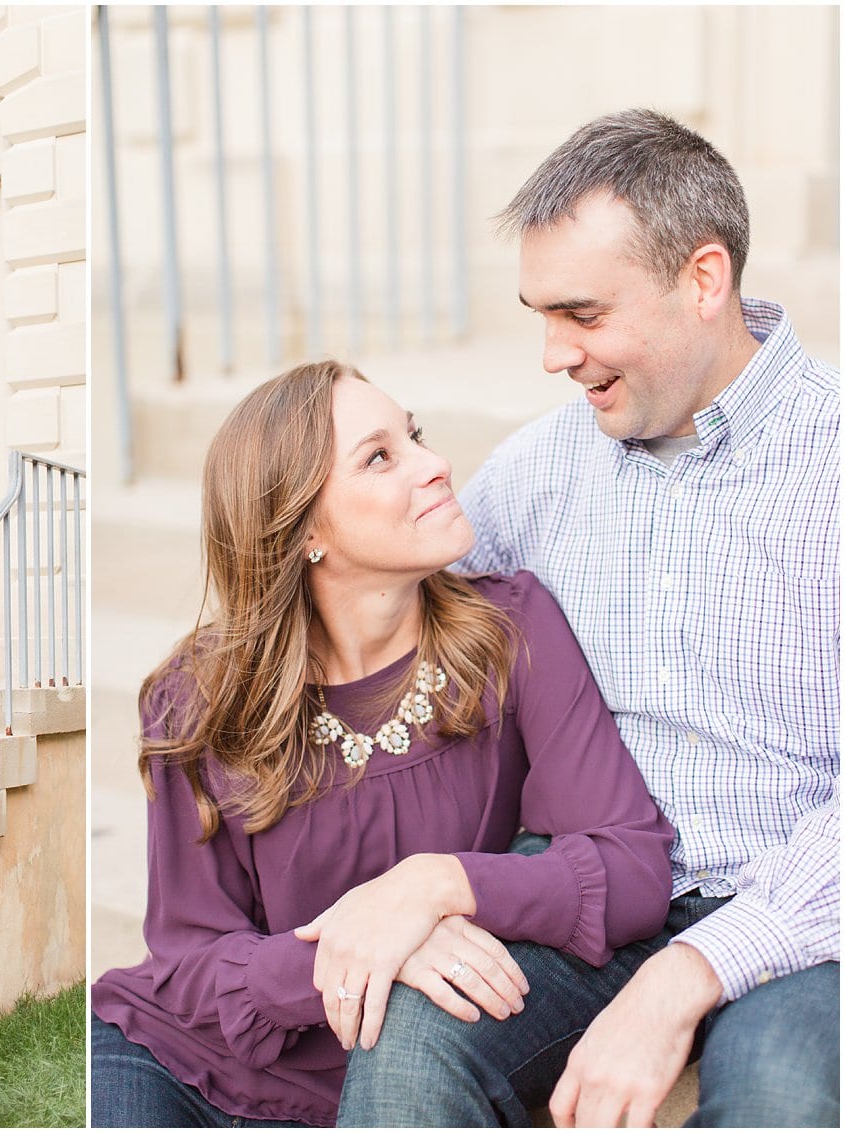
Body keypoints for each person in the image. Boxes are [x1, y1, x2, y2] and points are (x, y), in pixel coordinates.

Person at [337, 109, 840, 1127]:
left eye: (582, 314)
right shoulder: (539, 466)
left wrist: (694, 967)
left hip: (799, 916)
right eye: (538, 315)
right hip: (585, 890)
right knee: (404, 1052)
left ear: (704, 281)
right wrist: (428, 886)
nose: (553, 354)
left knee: (782, 1099)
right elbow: (393, 646)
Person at [90, 360, 675, 1127]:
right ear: (302, 530)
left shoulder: (512, 633)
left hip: (394, 1071)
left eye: (415, 435)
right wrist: (374, 947)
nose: (435, 465)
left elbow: (629, 869)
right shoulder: (198, 699)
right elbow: (187, 959)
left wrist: (439, 887)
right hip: (178, 1062)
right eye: (379, 456)